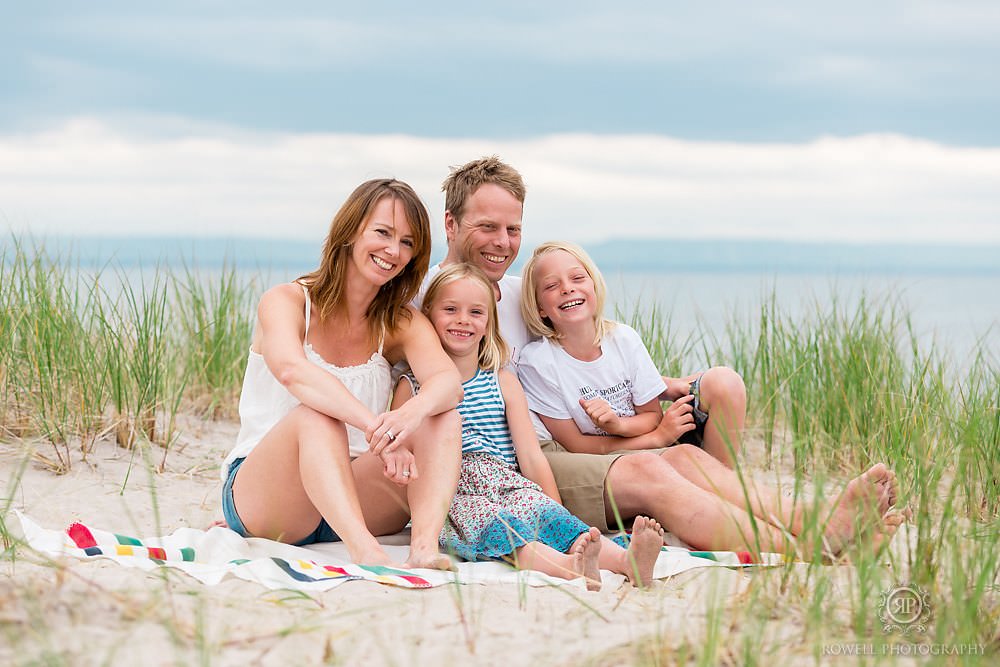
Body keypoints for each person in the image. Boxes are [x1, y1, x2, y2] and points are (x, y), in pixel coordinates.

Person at [517, 241, 906, 557]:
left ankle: (815, 520)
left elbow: (648, 413)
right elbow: (576, 444)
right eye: (551, 286)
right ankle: (804, 549)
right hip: (574, 458)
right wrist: (652, 437)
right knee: (653, 468)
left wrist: (641, 426)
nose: (566, 288)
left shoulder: (621, 338)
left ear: (594, 283)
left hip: (624, 445)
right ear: (539, 306)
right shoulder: (540, 360)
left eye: (576, 277)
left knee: (685, 456)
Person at [425, 156, 745, 468]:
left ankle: (731, 493)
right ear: (450, 224)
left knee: (723, 382)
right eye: (488, 227)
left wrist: (660, 384)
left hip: (595, 431)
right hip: (531, 451)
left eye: (513, 229)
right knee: (670, 465)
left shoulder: (520, 293)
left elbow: (576, 358)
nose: (503, 242)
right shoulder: (422, 300)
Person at [220, 178, 462, 570]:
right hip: (274, 497)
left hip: (354, 489)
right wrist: (376, 427)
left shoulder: (399, 321)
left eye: (407, 242)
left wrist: (406, 418)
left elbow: (448, 384)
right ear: (350, 231)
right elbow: (291, 372)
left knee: (442, 418)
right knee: (316, 416)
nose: (393, 251)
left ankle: (423, 547)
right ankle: (366, 552)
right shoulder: (287, 301)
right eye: (382, 233)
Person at [394, 263, 665, 589]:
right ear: (428, 318)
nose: (463, 319)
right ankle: (568, 567)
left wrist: (557, 506)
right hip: (454, 494)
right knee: (504, 531)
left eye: (476, 312)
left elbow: (531, 456)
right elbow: (403, 449)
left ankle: (626, 561)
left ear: (488, 324)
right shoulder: (412, 385)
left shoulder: (502, 381)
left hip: (509, 482)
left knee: (552, 520)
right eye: (450, 309)